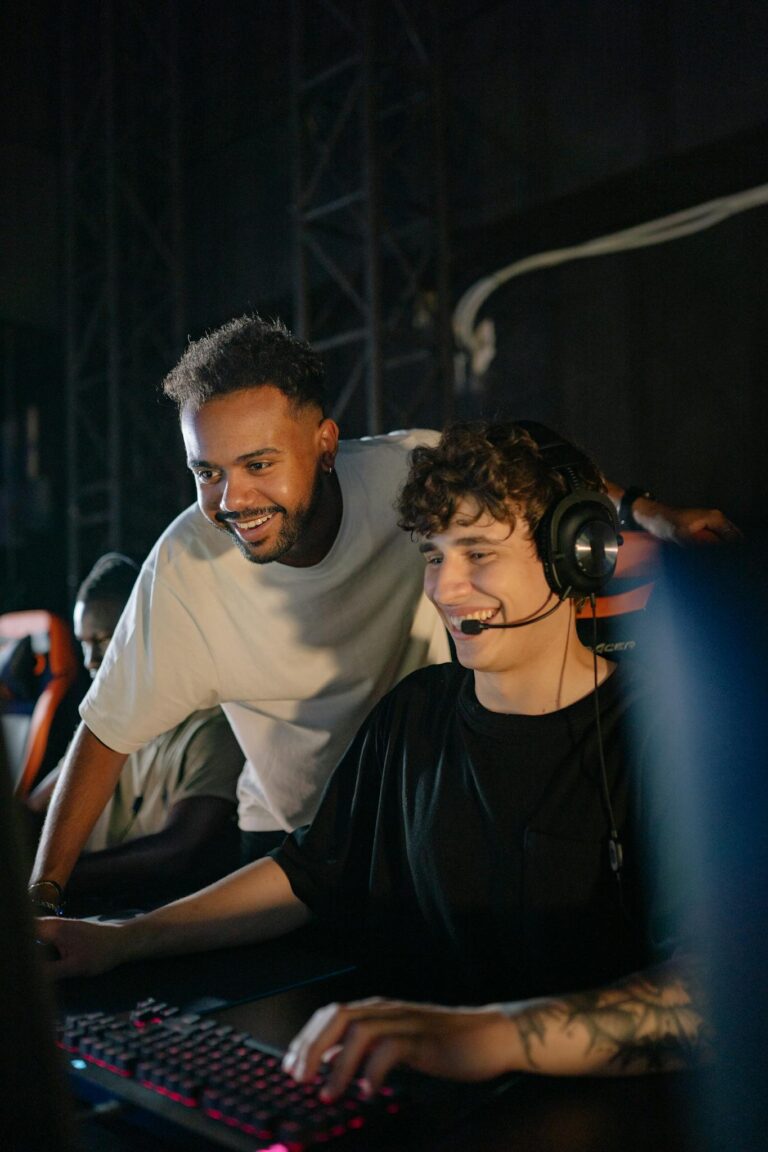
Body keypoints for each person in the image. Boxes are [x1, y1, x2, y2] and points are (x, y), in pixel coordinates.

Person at [38, 421, 711, 1098]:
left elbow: (718, 994)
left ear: (577, 555)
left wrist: (489, 1035)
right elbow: (308, 873)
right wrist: (123, 939)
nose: (446, 589)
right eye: (432, 555)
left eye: (477, 554)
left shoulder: (660, 739)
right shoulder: (415, 713)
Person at [29, 314, 738, 911]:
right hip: (294, 837)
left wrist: (653, 512)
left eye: (258, 464)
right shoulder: (184, 567)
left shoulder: (408, 473)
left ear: (326, 444)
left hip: (428, 812)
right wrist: (42, 899)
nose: (230, 499)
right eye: (206, 472)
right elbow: (106, 730)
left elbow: (532, 474)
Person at [27, 553, 244, 906]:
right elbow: (35, 809)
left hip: (156, 926)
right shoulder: (104, 725)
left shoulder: (213, 726)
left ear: (147, 633)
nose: (89, 660)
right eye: (83, 643)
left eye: (102, 640)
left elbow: (180, 851)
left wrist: (52, 881)